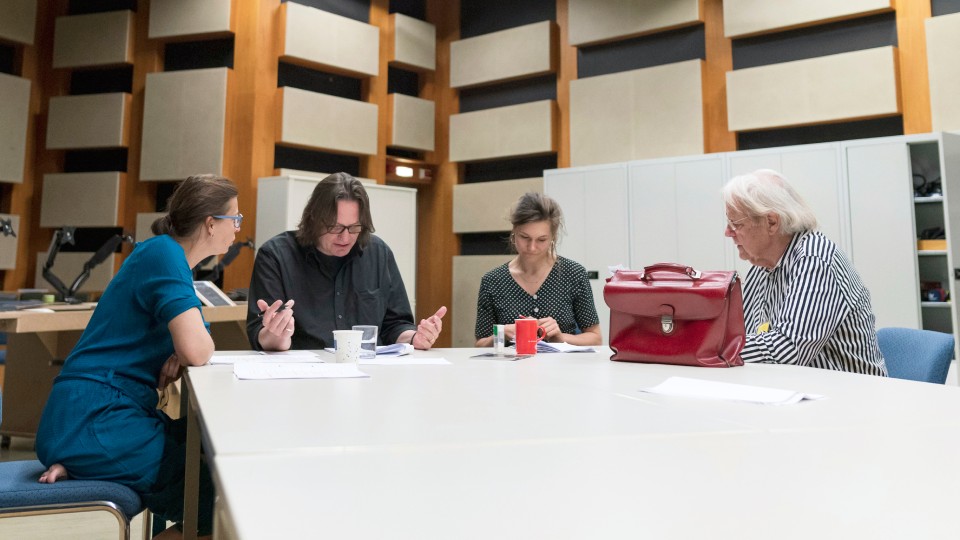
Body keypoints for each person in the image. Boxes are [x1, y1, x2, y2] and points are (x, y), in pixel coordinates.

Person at [35, 174, 239, 539]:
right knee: (217, 506)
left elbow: (196, 342)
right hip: (97, 419)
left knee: (207, 451)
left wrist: (186, 348)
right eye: (234, 219)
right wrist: (185, 348)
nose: (238, 228)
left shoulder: (166, 257)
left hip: (100, 415)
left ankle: (87, 460)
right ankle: (87, 456)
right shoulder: (164, 255)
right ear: (211, 223)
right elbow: (197, 349)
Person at [248, 172, 446, 351]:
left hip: (369, 374)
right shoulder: (276, 256)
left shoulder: (378, 253)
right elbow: (260, 334)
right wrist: (277, 337)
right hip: (303, 378)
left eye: (354, 228)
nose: (345, 238)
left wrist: (415, 338)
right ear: (314, 219)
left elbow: (395, 325)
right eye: (335, 228)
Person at [722, 169, 887, 375]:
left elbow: (789, 350)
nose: (728, 233)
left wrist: (715, 347)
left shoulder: (815, 259)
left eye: (736, 224)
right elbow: (741, 333)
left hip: (849, 396)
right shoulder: (762, 266)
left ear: (771, 222)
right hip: (797, 388)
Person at [475, 192, 601, 347]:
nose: (532, 247)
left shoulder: (573, 273)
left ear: (553, 237)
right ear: (514, 232)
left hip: (564, 370)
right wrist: (502, 334)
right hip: (510, 370)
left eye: (541, 239)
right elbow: (480, 344)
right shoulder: (493, 280)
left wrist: (560, 337)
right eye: (524, 237)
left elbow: (595, 338)